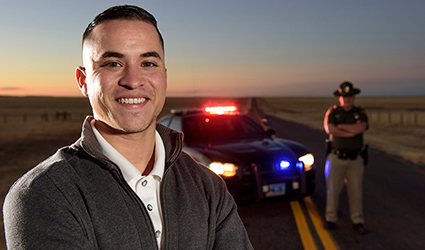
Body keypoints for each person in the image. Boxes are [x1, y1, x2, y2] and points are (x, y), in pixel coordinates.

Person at [3, 5, 253, 249]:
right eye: (113, 63)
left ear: (164, 77)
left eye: (148, 64)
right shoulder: (44, 194)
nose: (133, 81)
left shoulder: (207, 185)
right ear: (83, 81)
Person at [323, 81, 369, 235]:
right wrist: (351, 131)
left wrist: (340, 127)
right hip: (336, 158)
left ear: (354, 97)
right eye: (344, 96)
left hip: (355, 159)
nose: (347, 99)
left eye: (349, 96)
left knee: (356, 191)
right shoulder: (333, 112)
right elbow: (330, 129)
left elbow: (361, 127)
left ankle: (357, 221)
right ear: (339, 98)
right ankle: (331, 219)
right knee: (332, 190)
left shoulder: (360, 112)